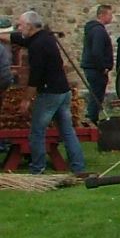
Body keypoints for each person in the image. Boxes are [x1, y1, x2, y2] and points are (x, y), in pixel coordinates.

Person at [1, 11, 87, 176]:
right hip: (63, 92)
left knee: (37, 132)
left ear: (29, 26)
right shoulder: (44, 37)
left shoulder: (37, 46)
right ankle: (78, 167)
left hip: (50, 94)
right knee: (67, 131)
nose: (18, 28)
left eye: (20, 25)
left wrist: (26, 100)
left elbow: (35, 77)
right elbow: (16, 38)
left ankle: (37, 169)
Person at [80, 4, 113, 127]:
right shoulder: (98, 31)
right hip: (95, 68)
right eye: (110, 14)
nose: (111, 17)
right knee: (96, 92)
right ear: (102, 15)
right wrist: (102, 67)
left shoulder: (95, 29)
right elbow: (96, 51)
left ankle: (92, 117)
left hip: (92, 67)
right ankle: (91, 118)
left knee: (96, 92)